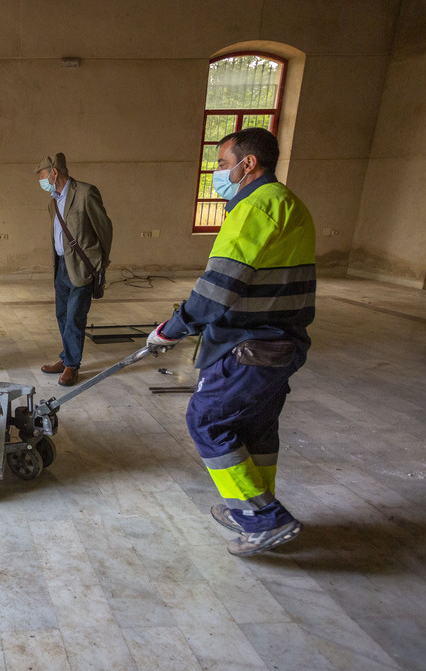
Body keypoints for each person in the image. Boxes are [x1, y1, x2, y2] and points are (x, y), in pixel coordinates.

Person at [147, 127, 316, 557]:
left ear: (249, 164)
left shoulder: (254, 209)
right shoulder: (290, 205)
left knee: (208, 420)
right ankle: (250, 508)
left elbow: (218, 288)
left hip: (248, 345)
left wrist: (172, 328)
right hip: (283, 342)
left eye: (222, 165)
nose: (218, 174)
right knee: (255, 429)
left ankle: (263, 519)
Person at [36, 153, 112, 387]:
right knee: (62, 314)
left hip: (82, 267)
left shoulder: (86, 193)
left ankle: (72, 366)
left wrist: (101, 261)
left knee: (75, 318)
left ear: (54, 172)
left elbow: (104, 228)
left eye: (42, 175)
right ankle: (66, 357)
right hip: (61, 265)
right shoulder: (53, 201)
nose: (41, 180)